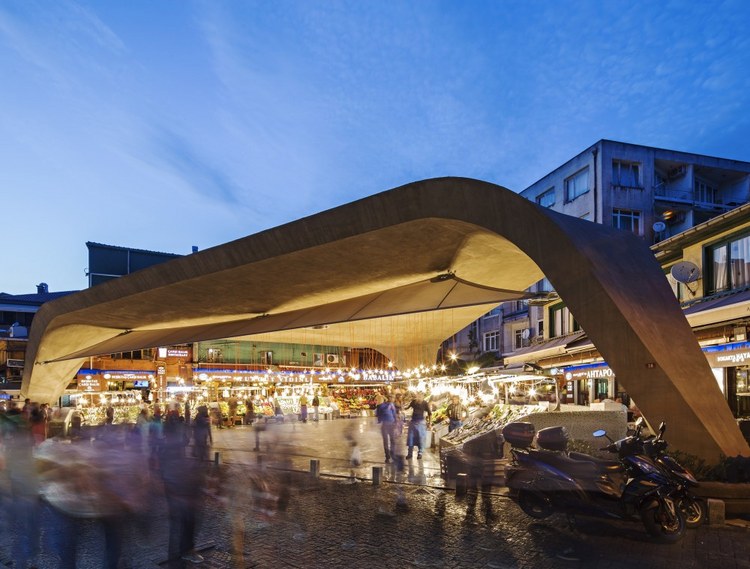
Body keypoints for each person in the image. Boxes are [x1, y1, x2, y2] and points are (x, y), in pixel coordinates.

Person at [161, 408, 208, 566]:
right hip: (179, 490)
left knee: (182, 522)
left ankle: (180, 553)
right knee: (185, 521)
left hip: (180, 488)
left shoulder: (171, 444)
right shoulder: (172, 446)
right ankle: (183, 553)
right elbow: (171, 468)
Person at [405, 392, 431, 460]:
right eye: (418, 396)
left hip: (421, 423)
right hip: (413, 422)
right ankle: (409, 453)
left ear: (423, 397)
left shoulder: (425, 403)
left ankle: (420, 453)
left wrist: (430, 423)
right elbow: (407, 408)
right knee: (411, 438)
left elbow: (429, 413)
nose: (419, 398)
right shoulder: (414, 402)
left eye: (420, 396)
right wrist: (402, 408)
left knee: (420, 438)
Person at [375, 393, 398, 462]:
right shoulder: (388, 405)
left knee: (388, 441)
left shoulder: (382, 406)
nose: (393, 399)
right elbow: (394, 415)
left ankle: (389, 456)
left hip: (387, 425)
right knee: (390, 440)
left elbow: (378, 415)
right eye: (392, 398)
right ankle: (389, 456)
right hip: (388, 425)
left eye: (393, 398)